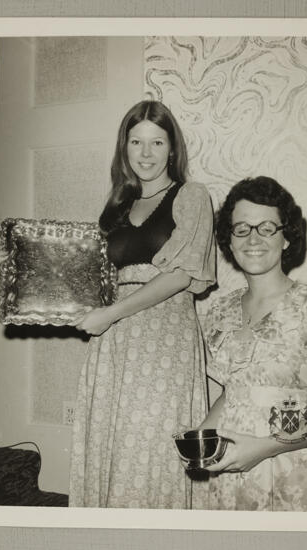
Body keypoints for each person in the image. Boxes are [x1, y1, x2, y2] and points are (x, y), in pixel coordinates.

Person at [68, 100, 216, 509]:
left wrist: (110, 314)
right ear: (125, 148)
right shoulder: (115, 207)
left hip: (163, 339)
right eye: (136, 141)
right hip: (114, 343)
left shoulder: (191, 196)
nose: (146, 153)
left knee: (152, 443)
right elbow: (96, 280)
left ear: (172, 149)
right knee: (111, 440)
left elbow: (183, 275)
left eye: (156, 142)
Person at [198, 176, 307, 511]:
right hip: (228, 474)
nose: (253, 238)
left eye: (266, 228)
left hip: (291, 471)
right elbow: (232, 392)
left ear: (286, 238)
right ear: (230, 241)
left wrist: (265, 447)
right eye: (242, 229)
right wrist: (202, 434)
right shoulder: (219, 310)